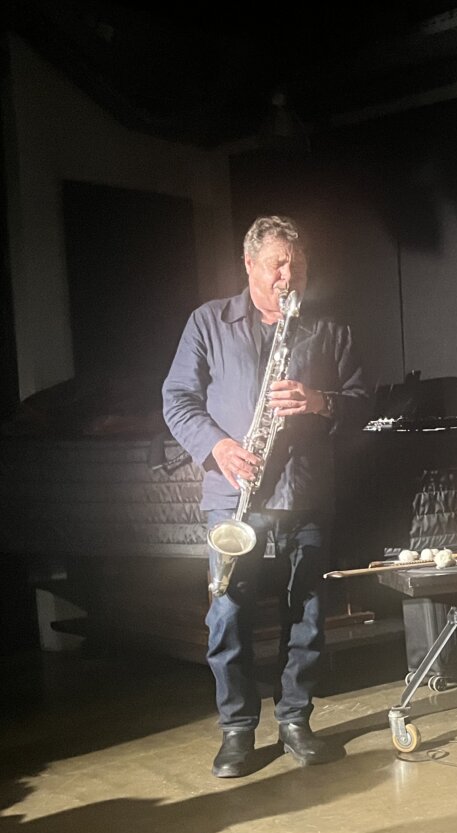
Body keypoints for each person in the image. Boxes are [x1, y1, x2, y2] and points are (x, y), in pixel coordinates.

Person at [163, 216, 370, 779]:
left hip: (305, 492)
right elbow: (177, 398)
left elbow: (362, 403)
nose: (288, 276)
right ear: (249, 264)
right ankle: (237, 728)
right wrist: (219, 447)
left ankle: (296, 718)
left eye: (297, 265)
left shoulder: (330, 330)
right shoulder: (208, 322)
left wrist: (320, 401)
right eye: (277, 264)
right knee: (228, 614)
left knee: (308, 613)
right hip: (234, 495)